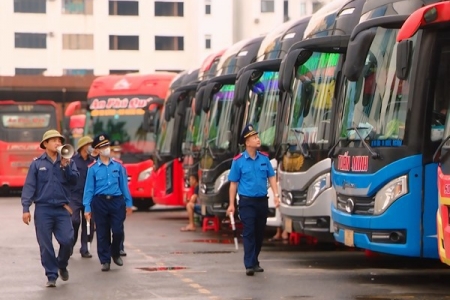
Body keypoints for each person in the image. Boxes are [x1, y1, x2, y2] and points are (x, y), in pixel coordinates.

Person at [21, 130, 79, 287]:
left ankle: (62, 264)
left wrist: (66, 166)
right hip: (43, 209)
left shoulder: (69, 161)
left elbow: (74, 181)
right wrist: (26, 208)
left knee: (68, 240)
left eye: (59, 140)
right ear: (45, 144)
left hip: (62, 208)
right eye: (53, 140)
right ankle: (51, 275)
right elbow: (29, 186)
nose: (58, 143)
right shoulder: (37, 164)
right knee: (45, 245)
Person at [227, 124, 280, 276]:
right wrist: (231, 204)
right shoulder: (238, 161)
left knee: (259, 232)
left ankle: (255, 260)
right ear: (247, 142)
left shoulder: (264, 159)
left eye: (257, 136)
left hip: (262, 201)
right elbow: (233, 183)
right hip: (246, 202)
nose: (258, 139)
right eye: (254, 137)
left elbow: (271, 177)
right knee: (249, 231)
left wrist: (276, 196)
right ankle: (249, 264)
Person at [83, 133, 133, 272]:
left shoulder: (118, 166)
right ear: (97, 151)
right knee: (102, 232)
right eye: (102, 147)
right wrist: (87, 207)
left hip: (116, 201)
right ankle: (105, 260)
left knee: (117, 231)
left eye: (107, 145)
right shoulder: (92, 168)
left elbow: (124, 186)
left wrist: (129, 203)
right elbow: (89, 189)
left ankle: (115, 252)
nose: (106, 148)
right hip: (100, 202)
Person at [69, 136, 95, 258]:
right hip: (74, 195)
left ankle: (85, 249)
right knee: (75, 220)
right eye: (88, 144)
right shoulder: (73, 160)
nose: (90, 146)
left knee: (88, 223)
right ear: (82, 146)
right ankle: (70, 245)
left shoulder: (93, 161)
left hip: (89, 196)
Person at [110, 140, 127, 257]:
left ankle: (120, 247)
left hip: (118, 199)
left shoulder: (120, 165)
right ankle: (107, 252)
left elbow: (124, 184)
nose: (117, 153)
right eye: (114, 151)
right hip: (104, 200)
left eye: (118, 151)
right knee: (106, 227)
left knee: (119, 226)